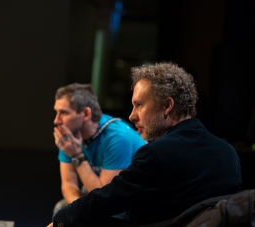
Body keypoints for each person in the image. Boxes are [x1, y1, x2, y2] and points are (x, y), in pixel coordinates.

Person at [47, 62, 242, 227]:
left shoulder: (157, 154)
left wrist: (59, 221)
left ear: (167, 106)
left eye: (139, 105)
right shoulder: (229, 153)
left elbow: (107, 200)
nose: (132, 115)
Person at [52, 83, 147, 218]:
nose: (57, 120)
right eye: (56, 112)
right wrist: (79, 211)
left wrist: (77, 155)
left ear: (86, 114)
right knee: (62, 209)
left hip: (130, 205)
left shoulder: (118, 138)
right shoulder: (70, 134)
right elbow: (68, 184)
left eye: (64, 113)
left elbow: (105, 199)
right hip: (101, 193)